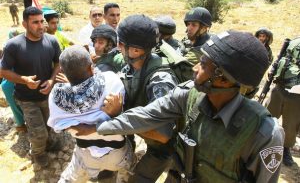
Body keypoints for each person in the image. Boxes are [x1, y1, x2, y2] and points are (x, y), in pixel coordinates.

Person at [72, 30, 284, 183]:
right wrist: (97, 128)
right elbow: (145, 115)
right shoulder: (188, 95)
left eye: (203, 64)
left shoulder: (263, 133)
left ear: (223, 78)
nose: (194, 67)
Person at [90, 14, 178, 183]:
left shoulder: (160, 80)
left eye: (122, 44)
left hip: (166, 148)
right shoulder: (132, 64)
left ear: (137, 50)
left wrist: (118, 117)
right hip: (149, 136)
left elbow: (163, 135)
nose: (118, 47)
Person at [47, 46, 134, 183]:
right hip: (117, 155)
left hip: (86, 155)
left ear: (62, 71)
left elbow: (57, 126)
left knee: (68, 178)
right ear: (90, 67)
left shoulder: (55, 98)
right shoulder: (112, 81)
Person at [0, 6, 61, 167]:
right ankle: (38, 153)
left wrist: (52, 80)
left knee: (49, 125)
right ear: (24, 24)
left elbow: (58, 63)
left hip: (47, 95)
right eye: (35, 22)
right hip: (26, 98)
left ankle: (47, 143)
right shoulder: (14, 45)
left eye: (42, 21)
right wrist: (24, 80)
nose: (41, 26)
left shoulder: (52, 41)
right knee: (38, 132)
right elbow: (3, 71)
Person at [265, 37, 300, 167]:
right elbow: (282, 57)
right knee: (267, 115)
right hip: (279, 87)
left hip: (297, 96)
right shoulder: (294, 42)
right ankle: (261, 141)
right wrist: (273, 68)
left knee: (291, 125)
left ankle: (285, 149)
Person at [1, 29, 26, 132]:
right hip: (16, 82)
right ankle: (22, 124)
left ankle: (21, 124)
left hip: (8, 83)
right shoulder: (22, 47)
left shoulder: (7, 46)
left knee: (15, 105)